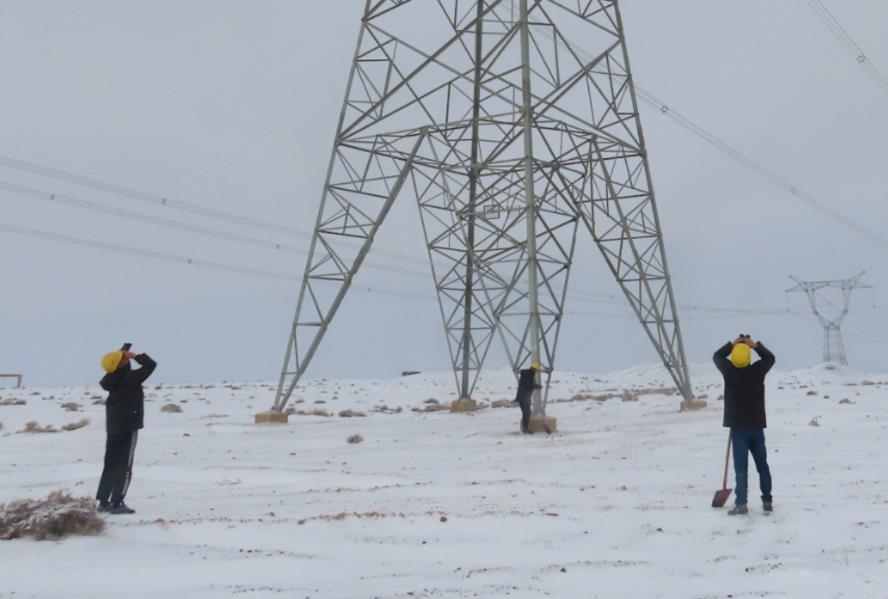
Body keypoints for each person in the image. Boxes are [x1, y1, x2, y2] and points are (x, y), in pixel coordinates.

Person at [713, 334, 776, 515]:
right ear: (748, 357)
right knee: (762, 465)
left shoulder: (729, 371)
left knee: (741, 468)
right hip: (756, 427)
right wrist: (754, 345)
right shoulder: (757, 371)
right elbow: (770, 358)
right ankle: (767, 501)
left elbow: (717, 356)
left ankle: (741, 504)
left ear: (734, 357)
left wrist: (732, 344)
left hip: (738, 428)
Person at [96, 344, 156, 515]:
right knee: (125, 466)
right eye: (123, 358)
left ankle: (103, 501)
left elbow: (114, 367)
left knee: (110, 464)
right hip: (128, 427)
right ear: (121, 363)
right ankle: (117, 503)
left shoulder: (110, 379)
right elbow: (151, 365)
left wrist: (120, 357)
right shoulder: (131, 378)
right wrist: (134, 355)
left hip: (113, 427)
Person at [515, 362, 541, 434]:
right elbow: (528, 385)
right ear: (534, 369)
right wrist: (536, 386)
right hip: (524, 397)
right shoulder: (528, 375)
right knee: (527, 413)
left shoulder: (527, 374)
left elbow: (528, 384)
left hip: (522, 397)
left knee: (526, 413)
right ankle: (525, 429)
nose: (536, 371)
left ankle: (525, 428)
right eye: (536, 369)